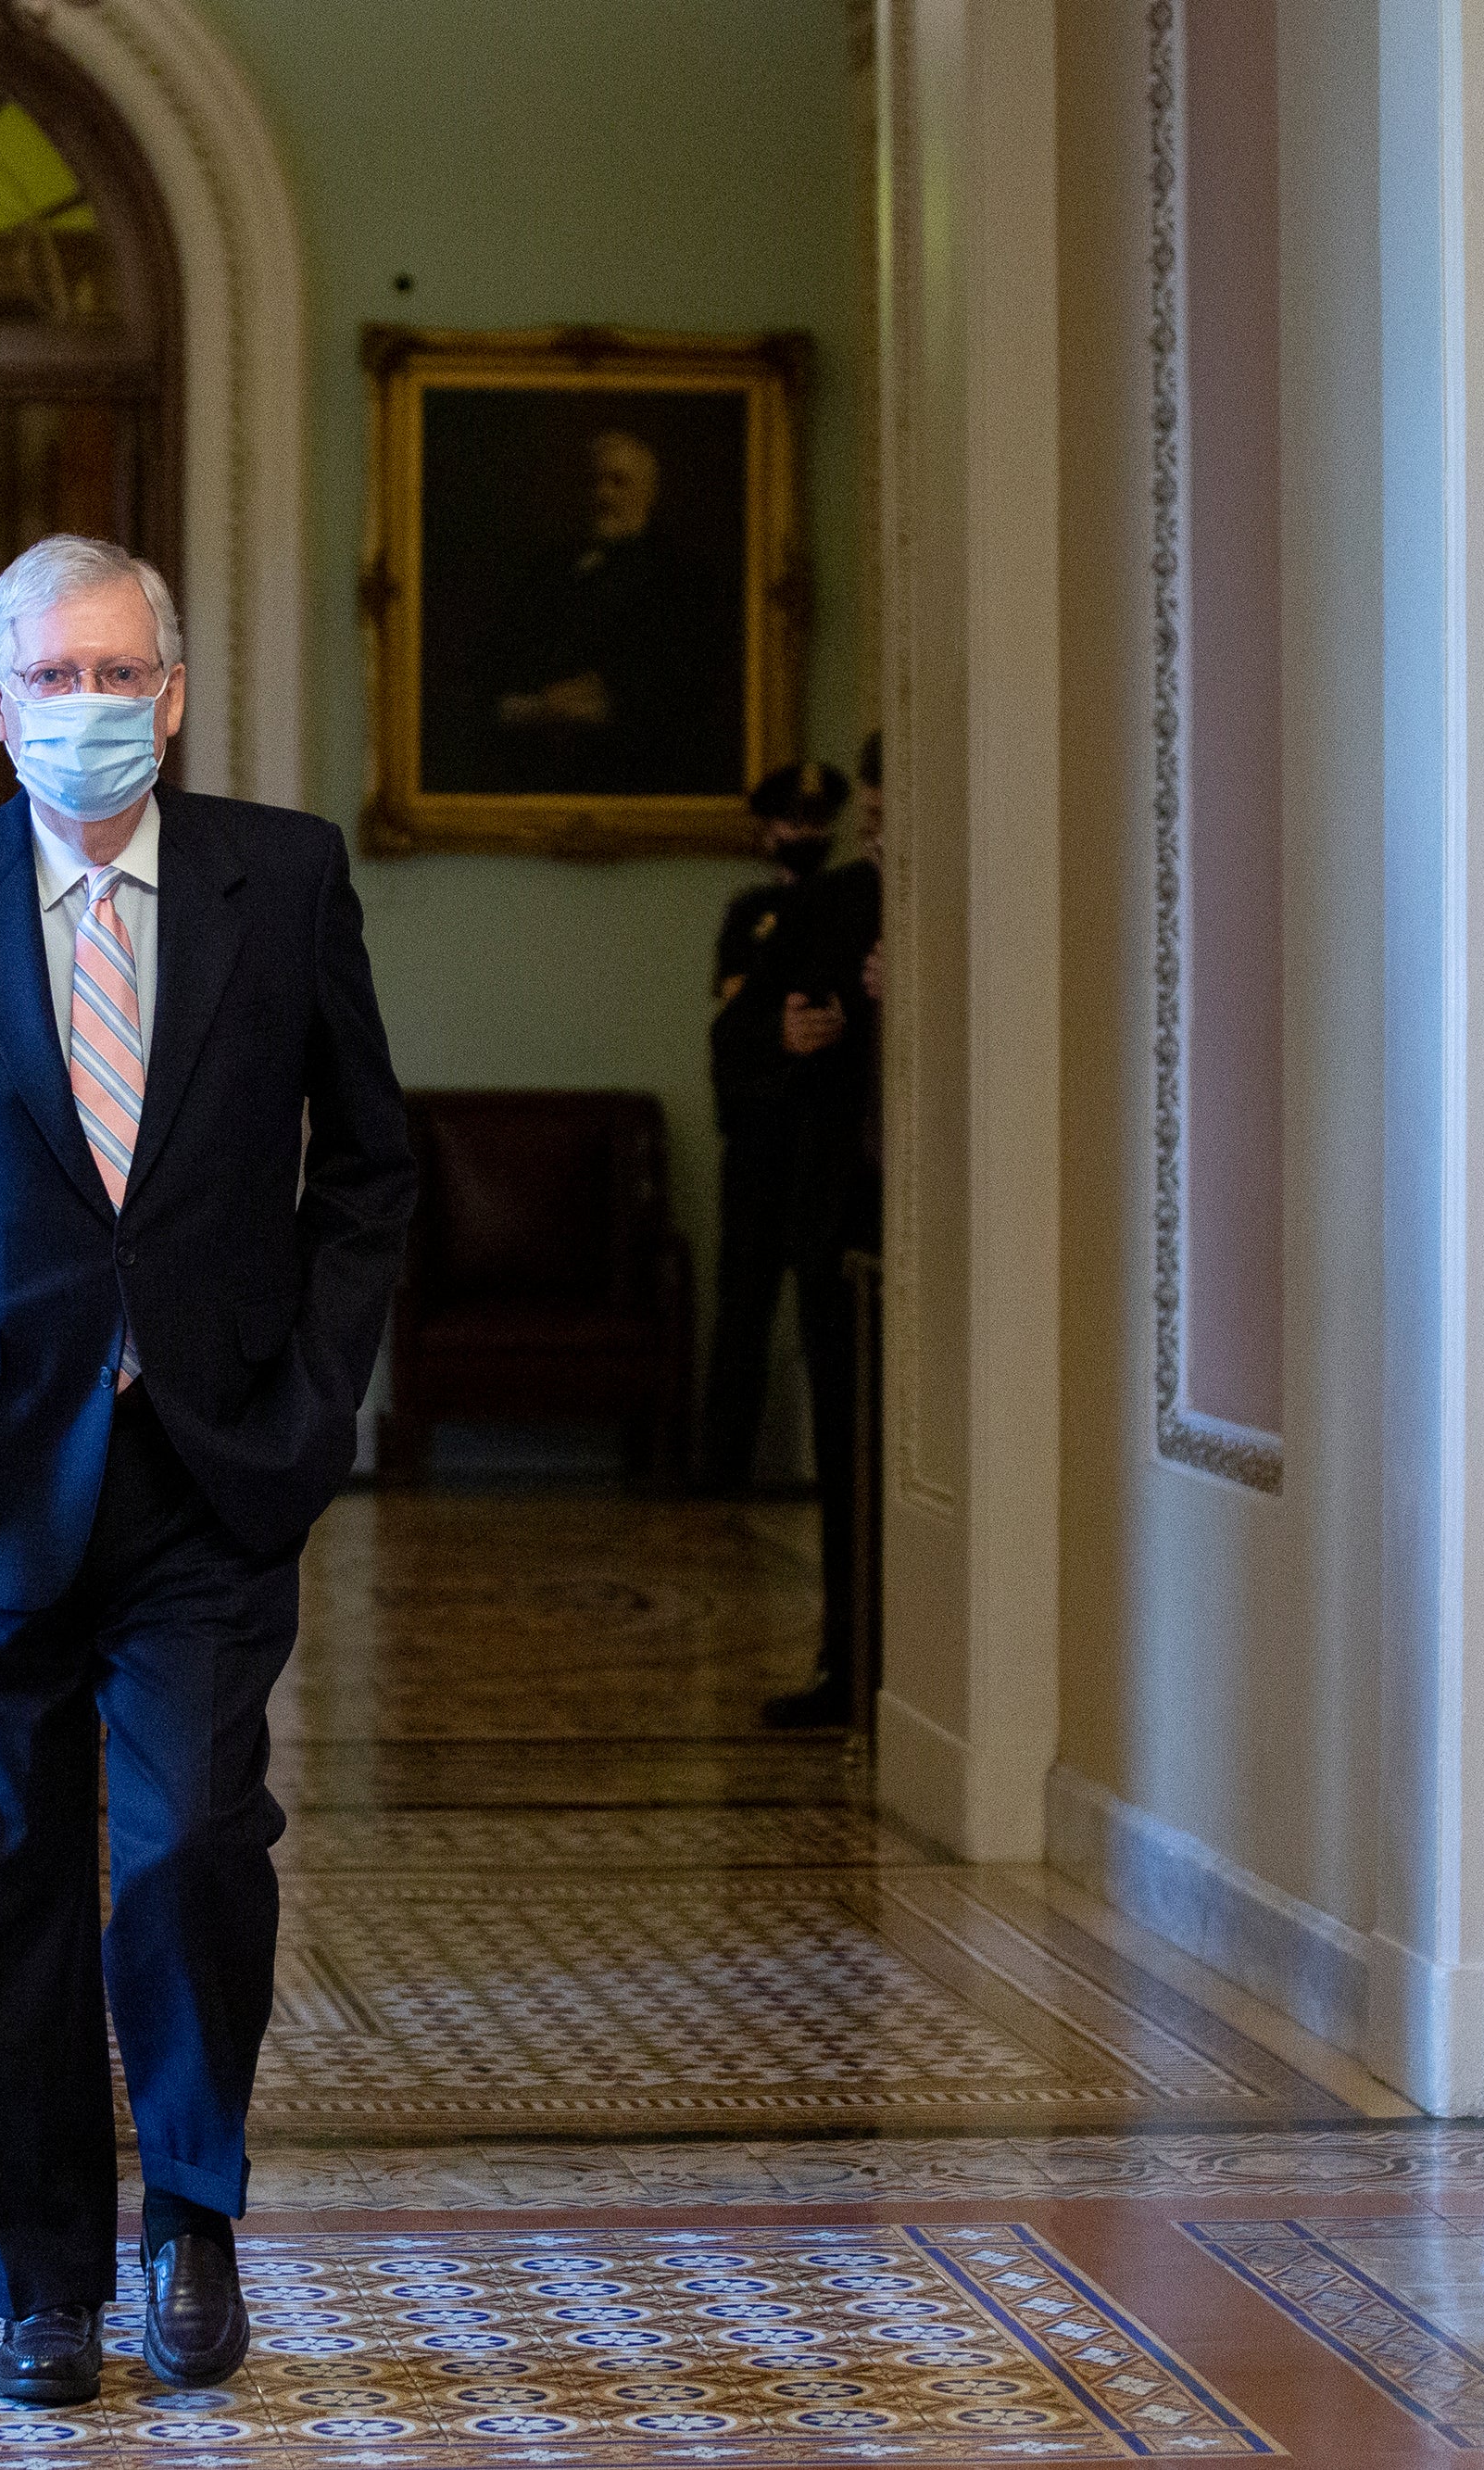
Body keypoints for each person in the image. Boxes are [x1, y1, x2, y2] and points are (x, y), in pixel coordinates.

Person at [0, 536, 413, 2405]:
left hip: (210, 1470)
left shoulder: (278, 879)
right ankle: (40, 2277)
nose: (87, 709)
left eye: (120, 675)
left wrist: (313, 1395)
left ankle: (187, 2208)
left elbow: (367, 1165)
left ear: (175, 693)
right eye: (51, 680)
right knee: (6, 1879)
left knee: (196, 1841)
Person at [749, 735, 886, 1730]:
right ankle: (852, 1665)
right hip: (843, 1212)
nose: (874, 835)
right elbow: (740, 1034)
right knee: (847, 1449)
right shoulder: (827, 904)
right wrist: (791, 1036)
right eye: (871, 818)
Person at [698, 762, 852, 1494]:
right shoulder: (751, 912)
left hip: (829, 1138)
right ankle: (721, 1475)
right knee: (742, 1314)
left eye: (818, 821)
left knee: (831, 1321)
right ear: (768, 831)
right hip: (761, 1139)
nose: (807, 834)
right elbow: (736, 1020)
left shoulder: (853, 903)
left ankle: (842, 1481)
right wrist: (779, 1033)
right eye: (794, 821)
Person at [481, 428, 739, 797]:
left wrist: (603, 693)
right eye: (595, 482)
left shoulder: (681, 576)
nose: (603, 495)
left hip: (636, 766)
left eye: (619, 482)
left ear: (649, 494)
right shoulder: (550, 568)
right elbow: (507, 654)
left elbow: (685, 680)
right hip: (539, 764)